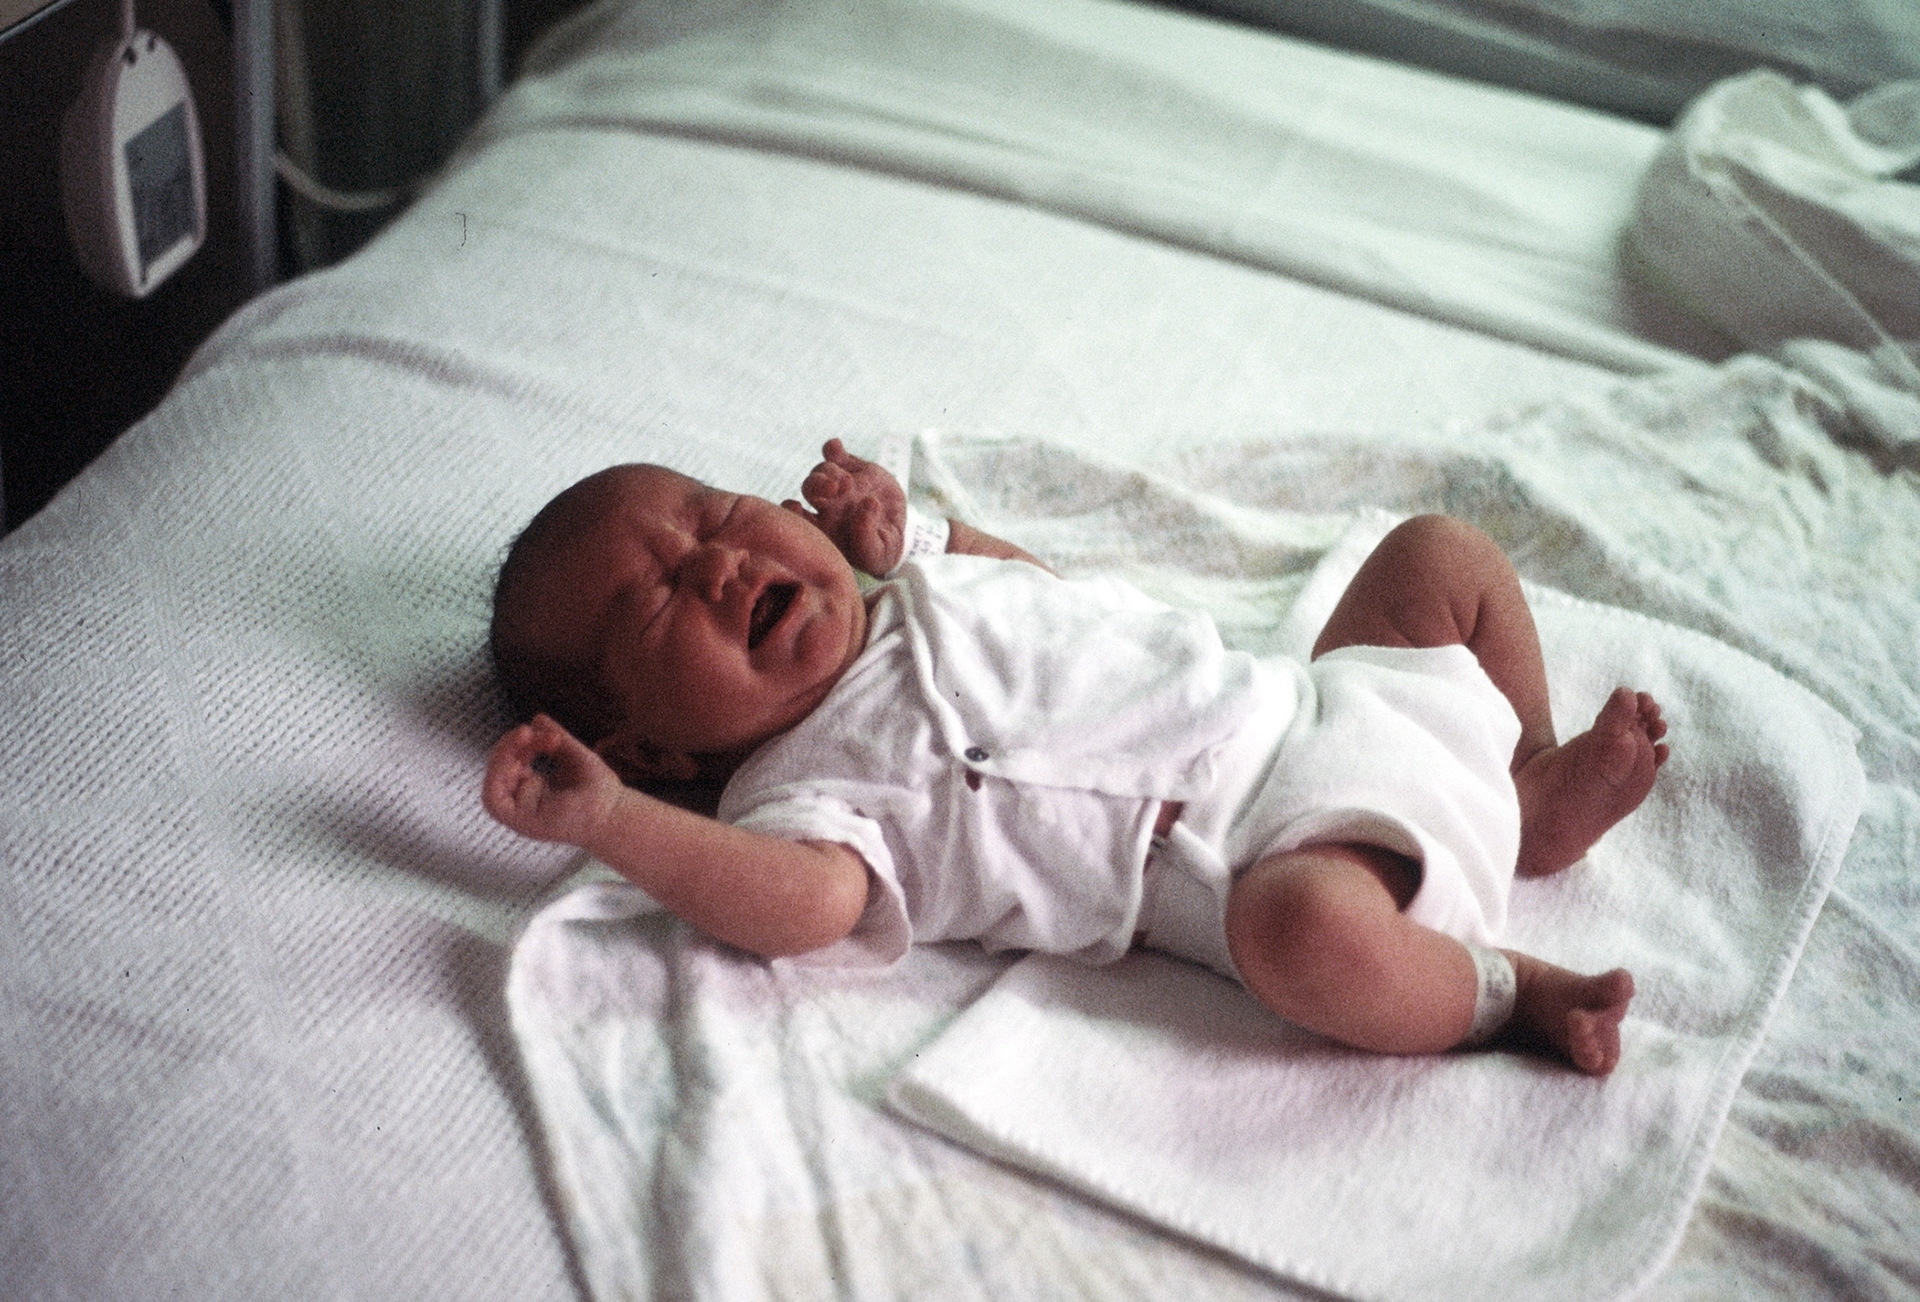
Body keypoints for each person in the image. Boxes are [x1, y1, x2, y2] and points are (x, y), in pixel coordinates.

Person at [484, 441, 1668, 1076]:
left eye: (715, 514)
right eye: (654, 603)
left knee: (1439, 553)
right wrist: (613, 822)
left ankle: (1529, 784)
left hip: (1325, 701)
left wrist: (918, 531)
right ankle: (1503, 993)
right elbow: (805, 909)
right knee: (1298, 936)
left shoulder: (917, 585)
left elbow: (1053, 601)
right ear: (647, 746)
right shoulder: (797, 792)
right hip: (1295, 856)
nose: (717, 566)